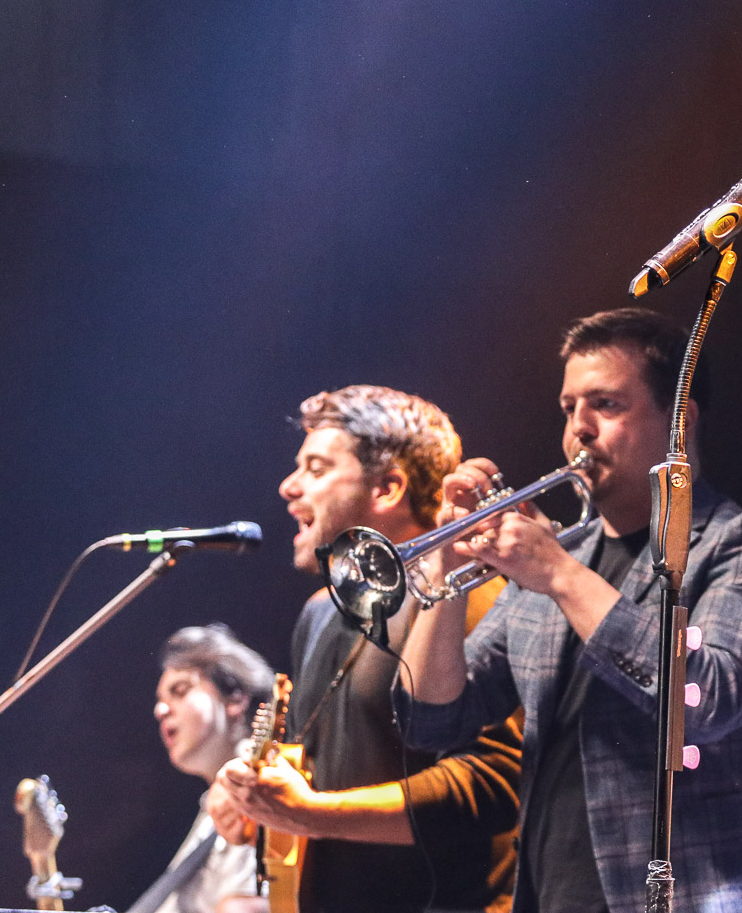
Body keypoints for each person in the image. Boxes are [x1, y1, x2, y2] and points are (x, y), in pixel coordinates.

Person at [395, 308, 742, 913]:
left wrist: (560, 575)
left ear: (679, 421)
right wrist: (445, 566)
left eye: (606, 405)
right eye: (569, 408)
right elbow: (431, 721)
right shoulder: (556, 561)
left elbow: (706, 701)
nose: (579, 429)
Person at [210, 385, 520, 913]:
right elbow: (315, 775)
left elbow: (491, 784)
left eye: (317, 468)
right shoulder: (319, 612)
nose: (289, 486)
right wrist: (254, 800)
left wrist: (311, 814)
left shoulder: (465, 595)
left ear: (389, 487)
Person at [147, 624, 273, 913]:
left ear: (235, 697)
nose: (160, 710)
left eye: (180, 691)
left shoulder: (263, 786)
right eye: (160, 700)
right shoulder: (210, 810)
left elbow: (254, 907)